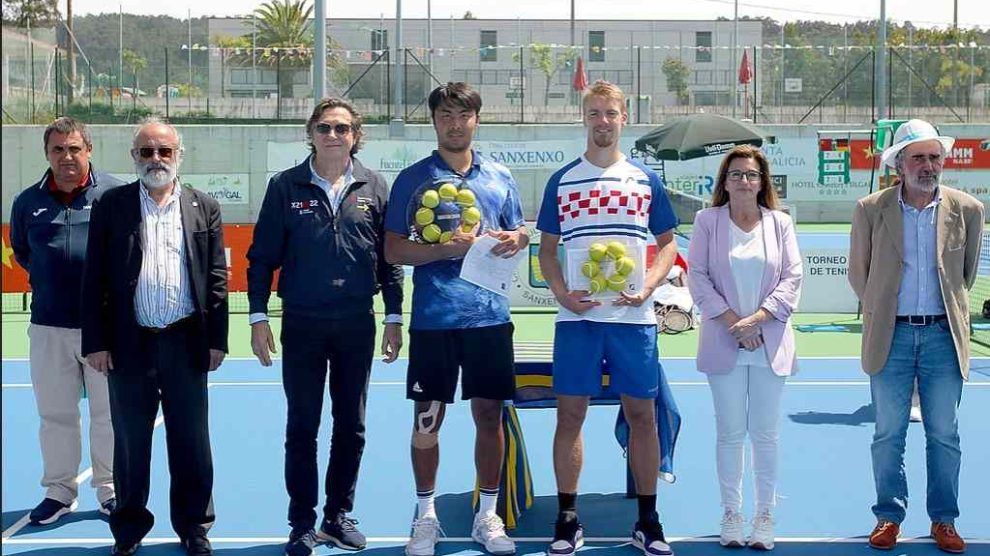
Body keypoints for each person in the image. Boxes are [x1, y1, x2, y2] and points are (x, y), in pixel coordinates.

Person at [246, 97, 404, 556]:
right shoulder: (284, 186)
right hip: (302, 323)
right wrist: (258, 317)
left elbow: (389, 260)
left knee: (350, 426)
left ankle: (337, 515)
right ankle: (301, 523)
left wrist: (394, 316)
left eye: (341, 128)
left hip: (357, 322)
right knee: (302, 426)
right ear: (310, 134)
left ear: (356, 135)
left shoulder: (375, 186)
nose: (332, 135)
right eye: (324, 128)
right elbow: (261, 259)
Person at [383, 82, 528, 556]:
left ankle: (488, 516)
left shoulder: (500, 177)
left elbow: (519, 231)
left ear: (476, 120)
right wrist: (448, 248)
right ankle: (425, 518)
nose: (455, 123)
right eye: (446, 115)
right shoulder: (412, 179)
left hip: (489, 318)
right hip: (433, 321)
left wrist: (517, 240)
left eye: (463, 115)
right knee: (427, 421)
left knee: (490, 417)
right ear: (435, 121)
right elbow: (392, 249)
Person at [535, 81, 678, 556]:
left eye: (610, 113)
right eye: (594, 113)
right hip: (577, 321)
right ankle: (568, 517)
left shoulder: (643, 180)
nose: (602, 121)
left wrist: (651, 285)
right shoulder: (562, 181)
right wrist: (561, 292)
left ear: (623, 118)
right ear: (584, 118)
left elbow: (669, 243)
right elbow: (548, 251)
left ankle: (648, 519)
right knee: (570, 415)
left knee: (642, 416)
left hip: (633, 321)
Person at [82, 117, 228, 556]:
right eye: (146, 152)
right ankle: (128, 529)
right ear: (134, 158)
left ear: (178, 155)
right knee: (130, 445)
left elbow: (217, 277)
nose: (156, 159)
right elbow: (95, 278)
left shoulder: (204, 206)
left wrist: (216, 340)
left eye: (164, 151)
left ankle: (194, 526)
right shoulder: (112, 205)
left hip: (185, 341)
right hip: (130, 343)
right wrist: (97, 341)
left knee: (191, 442)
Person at [848, 119, 984, 554]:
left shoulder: (968, 209)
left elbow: (965, 276)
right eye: (918, 157)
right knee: (888, 433)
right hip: (892, 336)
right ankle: (889, 516)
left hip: (945, 337)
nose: (928, 165)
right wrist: (885, 311)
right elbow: (859, 275)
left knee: (945, 433)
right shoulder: (871, 208)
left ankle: (944, 520)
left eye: (934, 157)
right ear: (900, 165)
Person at [686, 145, 802, 551]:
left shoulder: (780, 223)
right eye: (736, 175)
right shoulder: (707, 221)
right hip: (725, 342)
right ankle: (732, 514)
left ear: (762, 182)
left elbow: (792, 278)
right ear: (725, 182)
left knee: (765, 435)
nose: (744, 181)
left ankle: (765, 516)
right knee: (730, 434)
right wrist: (735, 324)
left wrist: (759, 320)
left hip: (769, 343)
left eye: (751, 175)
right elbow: (697, 277)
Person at [9, 117, 124, 525]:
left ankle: (110, 490)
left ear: (89, 151)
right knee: (55, 413)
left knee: (108, 413)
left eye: (74, 148)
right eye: (58, 149)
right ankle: (59, 492)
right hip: (49, 326)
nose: (67, 157)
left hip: (106, 329)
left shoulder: (115, 194)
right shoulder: (27, 202)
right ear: (47, 154)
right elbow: (23, 252)